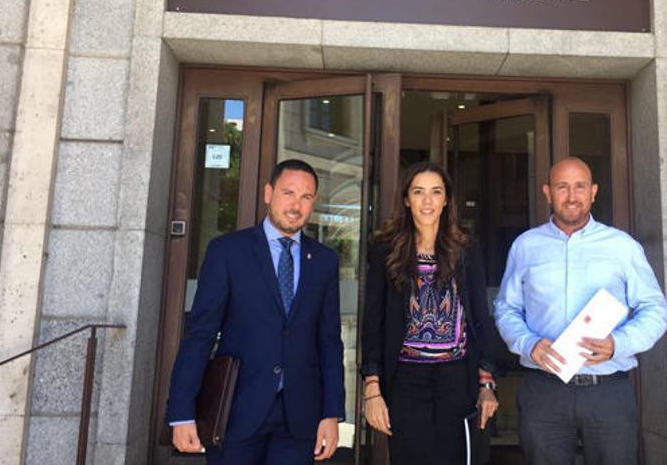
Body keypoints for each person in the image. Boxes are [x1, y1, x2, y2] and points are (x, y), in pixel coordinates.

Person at [166, 159, 345, 464]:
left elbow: (329, 341)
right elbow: (200, 334)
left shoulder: (325, 261)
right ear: (268, 193)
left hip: (299, 417)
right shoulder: (227, 252)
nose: (296, 205)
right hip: (237, 412)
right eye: (288, 193)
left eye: (306, 197)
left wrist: (331, 413)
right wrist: (181, 413)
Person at [494, 157, 667, 465]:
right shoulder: (526, 246)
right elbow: (506, 309)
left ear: (593, 192)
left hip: (607, 392)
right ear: (548, 192)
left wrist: (619, 343)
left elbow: (655, 309)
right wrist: (528, 343)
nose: (571, 196)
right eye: (562, 187)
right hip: (543, 390)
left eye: (580, 187)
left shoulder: (622, 247)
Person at [360, 161, 499, 465]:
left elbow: (479, 316)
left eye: (436, 192)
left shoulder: (465, 247)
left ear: (446, 199)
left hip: (456, 378)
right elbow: (374, 322)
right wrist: (372, 388)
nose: (427, 201)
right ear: (406, 199)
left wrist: (486, 383)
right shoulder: (385, 250)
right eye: (418, 192)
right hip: (406, 379)